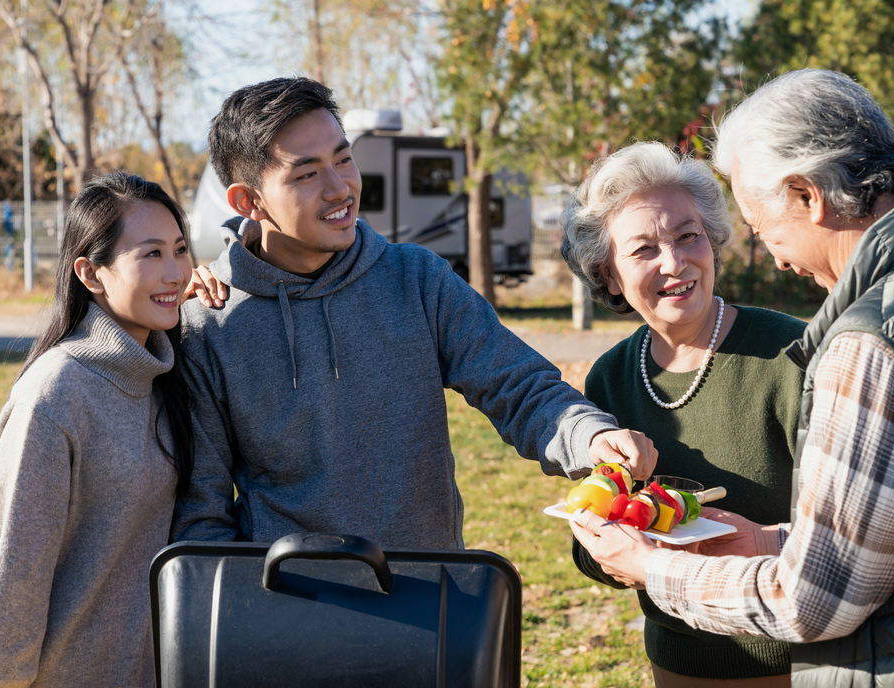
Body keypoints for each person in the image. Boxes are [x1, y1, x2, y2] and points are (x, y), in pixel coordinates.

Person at [570, 68, 894, 687]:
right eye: (644, 249)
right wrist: (764, 540)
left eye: (760, 228)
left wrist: (656, 569)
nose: (776, 256)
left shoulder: (853, 343)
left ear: (808, 196)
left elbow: (815, 597)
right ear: (610, 273)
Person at [171, 77, 656, 549]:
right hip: (290, 606)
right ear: (248, 201)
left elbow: (516, 383)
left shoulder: (417, 279)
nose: (340, 188)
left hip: (427, 592)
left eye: (344, 159)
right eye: (306, 174)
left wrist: (588, 435)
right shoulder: (209, 324)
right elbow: (202, 510)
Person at [562, 142, 805, 687]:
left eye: (687, 235)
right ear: (609, 273)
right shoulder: (609, 377)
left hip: (800, 662)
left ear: (713, 242)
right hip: (675, 662)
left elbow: (850, 534)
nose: (674, 262)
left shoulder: (791, 355)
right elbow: (588, 534)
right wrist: (608, 553)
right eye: (643, 249)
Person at [0, 173, 194, 686]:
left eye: (180, 251)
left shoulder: (166, 376)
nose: (174, 273)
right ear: (91, 275)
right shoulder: (53, 398)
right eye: (151, 254)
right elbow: (13, 585)